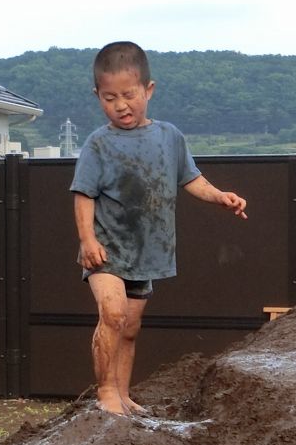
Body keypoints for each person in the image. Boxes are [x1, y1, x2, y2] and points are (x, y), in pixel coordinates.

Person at [71, 41, 247, 415]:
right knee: (113, 314)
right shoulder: (98, 144)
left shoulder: (170, 137)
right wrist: (87, 240)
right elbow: (83, 194)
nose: (120, 105)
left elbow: (192, 179)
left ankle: (122, 394)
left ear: (148, 90)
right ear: (97, 96)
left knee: (130, 328)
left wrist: (220, 197)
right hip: (107, 249)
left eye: (129, 95)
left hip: (147, 252)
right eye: (109, 97)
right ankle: (105, 394)